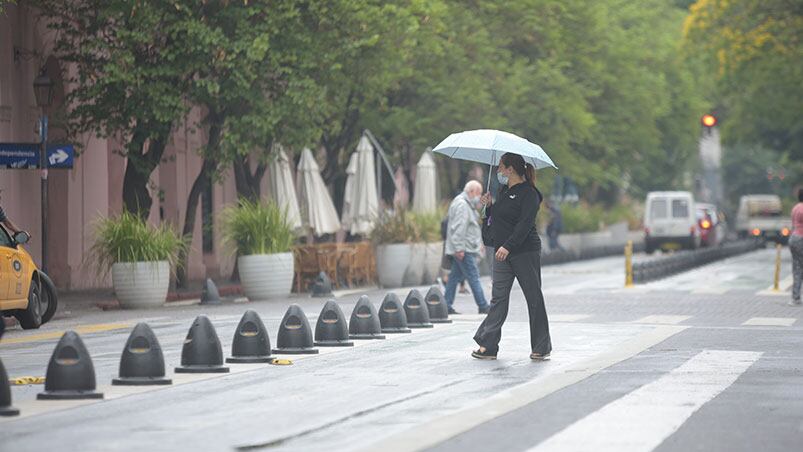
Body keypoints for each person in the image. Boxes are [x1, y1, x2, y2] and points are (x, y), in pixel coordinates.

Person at [472, 153, 552, 360]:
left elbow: (524, 225)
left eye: (500, 167)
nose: (498, 171)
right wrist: (489, 208)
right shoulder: (504, 191)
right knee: (498, 299)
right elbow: (499, 222)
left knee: (533, 298)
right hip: (502, 253)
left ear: (511, 169)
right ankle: (488, 345)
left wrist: (508, 246)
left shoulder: (530, 194)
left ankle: (541, 346)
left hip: (524, 252)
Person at [444, 181, 490, 315]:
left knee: (454, 277)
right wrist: (459, 248)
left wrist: (482, 204)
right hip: (464, 249)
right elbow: (459, 228)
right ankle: (483, 305)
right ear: (471, 192)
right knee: (473, 276)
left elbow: (471, 224)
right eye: (479, 193)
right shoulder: (462, 205)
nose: (479, 196)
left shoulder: (466, 204)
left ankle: (446, 305)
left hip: (465, 248)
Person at [789, 188, 803, 306]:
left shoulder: (795, 208)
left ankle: (795, 298)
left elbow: (793, 224)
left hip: (794, 238)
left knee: (797, 268)